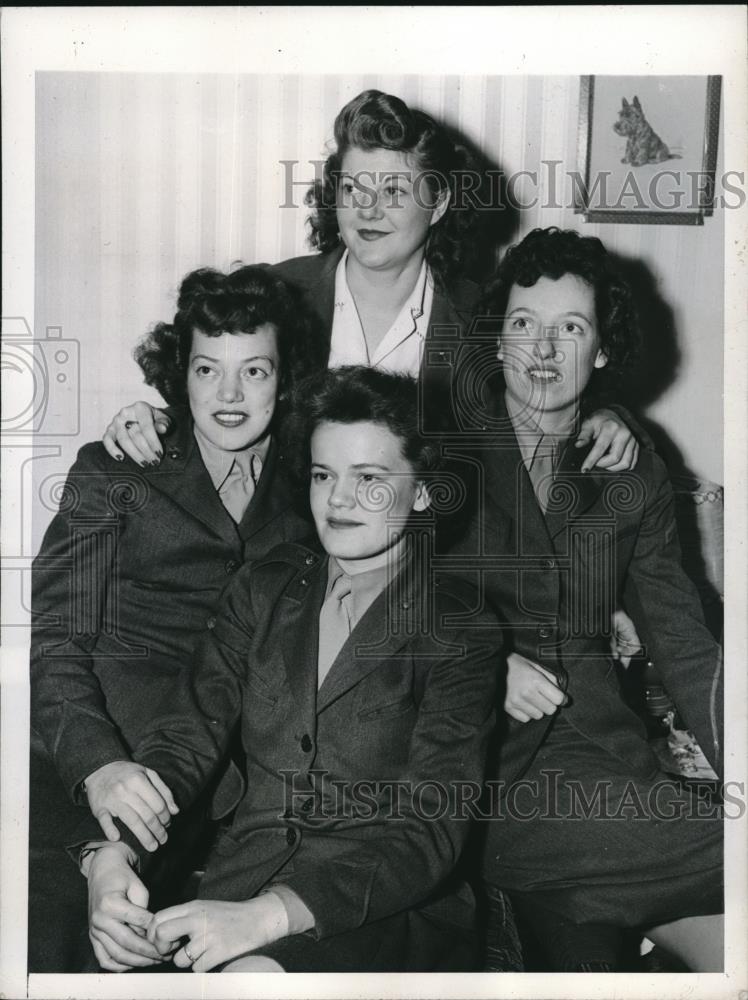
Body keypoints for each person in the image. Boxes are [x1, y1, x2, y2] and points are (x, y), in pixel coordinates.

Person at [70, 367, 501, 973]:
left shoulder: (460, 628)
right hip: (239, 884)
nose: (340, 499)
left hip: (383, 911)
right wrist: (115, 856)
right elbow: (185, 740)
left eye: (370, 479)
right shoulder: (263, 590)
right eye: (324, 475)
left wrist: (268, 916)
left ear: (424, 490)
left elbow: (431, 832)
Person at [100, 90, 641, 475]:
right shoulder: (276, 292)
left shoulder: (483, 314)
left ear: (440, 203)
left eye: (394, 192)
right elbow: (225, 393)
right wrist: (152, 421)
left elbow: (545, 396)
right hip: (280, 560)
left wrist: (606, 415)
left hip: (426, 565)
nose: (368, 210)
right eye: (355, 188)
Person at [29, 265, 323, 971]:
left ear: (283, 381)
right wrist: (97, 768)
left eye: (253, 371)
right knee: (56, 938)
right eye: (206, 369)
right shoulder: (116, 469)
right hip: (87, 759)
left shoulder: (312, 490)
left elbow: (422, 486)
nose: (228, 395)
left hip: (221, 776)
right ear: (179, 375)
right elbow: (55, 641)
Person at [444, 227, 723, 971]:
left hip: (605, 758)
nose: (542, 348)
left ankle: (588, 912)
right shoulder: (434, 451)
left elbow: (684, 641)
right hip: (483, 771)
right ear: (497, 341)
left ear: (600, 350)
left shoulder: (629, 468)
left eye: (570, 328)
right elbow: (374, 595)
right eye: (523, 325)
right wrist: (481, 662)